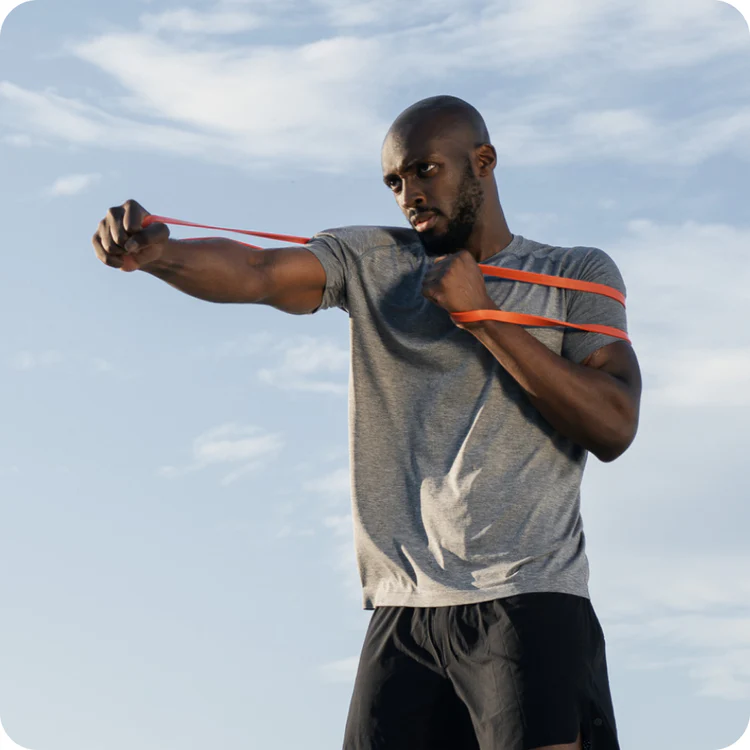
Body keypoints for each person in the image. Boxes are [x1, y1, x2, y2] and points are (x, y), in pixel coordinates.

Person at [92, 95, 642, 750]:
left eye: (425, 170)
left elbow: (614, 424)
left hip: (527, 599)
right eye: (394, 181)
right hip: (402, 611)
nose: (409, 193)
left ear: (483, 162)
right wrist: (161, 256)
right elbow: (260, 271)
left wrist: (483, 316)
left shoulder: (573, 273)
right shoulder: (373, 260)